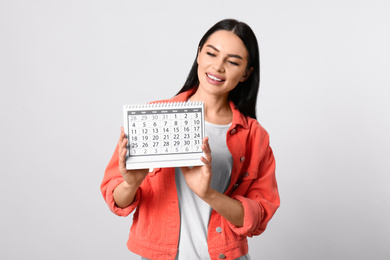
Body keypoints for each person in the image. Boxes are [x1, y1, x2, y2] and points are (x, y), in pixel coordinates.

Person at [101, 19, 280, 260]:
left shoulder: (254, 135)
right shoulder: (151, 118)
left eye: (233, 61)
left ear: (246, 73)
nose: (218, 67)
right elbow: (116, 200)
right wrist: (131, 183)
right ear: (198, 54)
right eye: (211, 53)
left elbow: (258, 215)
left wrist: (208, 194)